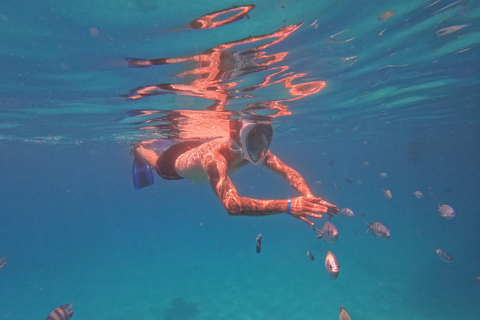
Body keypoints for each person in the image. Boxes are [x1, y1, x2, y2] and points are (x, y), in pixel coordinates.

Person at [131, 120, 339, 226]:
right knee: (154, 161)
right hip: (172, 164)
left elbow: (287, 172)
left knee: (194, 150)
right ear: (235, 136)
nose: (260, 149)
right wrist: (287, 206)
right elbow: (232, 206)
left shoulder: (253, 150)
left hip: (195, 148)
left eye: (262, 140)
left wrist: (309, 196)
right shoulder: (214, 159)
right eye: (254, 141)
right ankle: (139, 149)